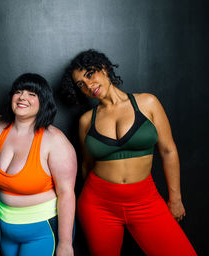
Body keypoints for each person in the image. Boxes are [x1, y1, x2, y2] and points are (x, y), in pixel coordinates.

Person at [60, 49, 197, 256]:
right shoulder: (86, 120)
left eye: (90, 74)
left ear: (104, 68)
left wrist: (175, 198)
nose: (88, 86)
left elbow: (168, 150)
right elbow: (86, 165)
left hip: (145, 202)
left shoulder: (147, 103)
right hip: (98, 205)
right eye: (81, 84)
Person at [0, 73, 77, 256]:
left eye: (32, 94)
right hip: (5, 229)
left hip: (42, 231)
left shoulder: (54, 140)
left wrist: (65, 244)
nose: (22, 97)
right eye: (18, 92)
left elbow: (66, 193)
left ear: (43, 101)